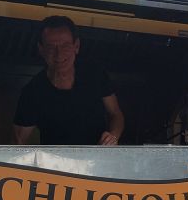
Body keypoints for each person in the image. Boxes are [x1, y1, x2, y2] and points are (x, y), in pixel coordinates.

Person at [13, 16, 124, 145]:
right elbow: (17, 141)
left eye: (65, 46)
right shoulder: (32, 92)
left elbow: (116, 113)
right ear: (41, 50)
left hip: (98, 155)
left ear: (76, 46)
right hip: (54, 158)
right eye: (51, 47)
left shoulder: (94, 73)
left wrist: (113, 136)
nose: (59, 54)